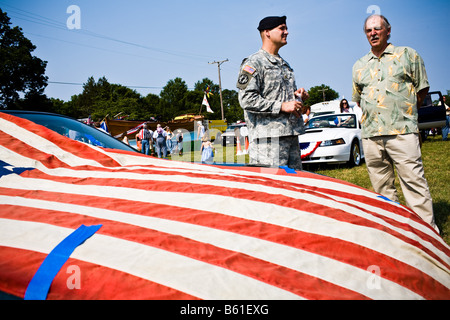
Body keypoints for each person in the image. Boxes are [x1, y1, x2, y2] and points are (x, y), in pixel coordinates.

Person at [352, 14, 438, 231]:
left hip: (402, 131)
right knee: (382, 189)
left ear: (387, 31)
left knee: (414, 184)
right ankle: (395, 233)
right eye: (368, 30)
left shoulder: (407, 55)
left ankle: (426, 235)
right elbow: (359, 98)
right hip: (372, 135)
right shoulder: (359, 65)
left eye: (377, 28)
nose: (373, 33)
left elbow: (422, 90)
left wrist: (402, 111)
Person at [237, 16, 308, 170]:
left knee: (296, 187)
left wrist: (298, 97)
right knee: (273, 188)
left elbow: (282, 99)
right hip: (268, 141)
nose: (287, 32)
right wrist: (282, 106)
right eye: (282, 28)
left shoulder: (284, 64)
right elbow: (246, 99)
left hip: (290, 135)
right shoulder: (253, 63)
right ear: (267, 32)